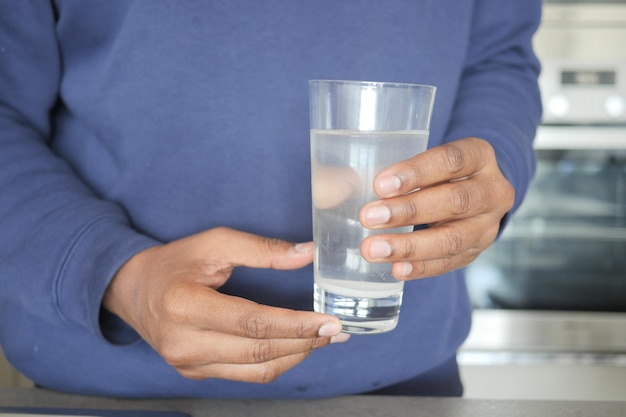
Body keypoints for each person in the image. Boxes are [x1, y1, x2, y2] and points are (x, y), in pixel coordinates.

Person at [0, 1, 542, 399]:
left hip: (403, 386)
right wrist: (109, 270)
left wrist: (486, 171)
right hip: (105, 390)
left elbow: (498, 59)